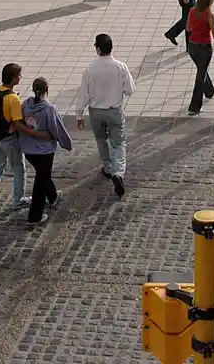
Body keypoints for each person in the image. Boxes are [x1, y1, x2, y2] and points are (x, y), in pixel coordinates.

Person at [0, 64, 41, 221]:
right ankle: (18, 199)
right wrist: (34, 133)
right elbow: (17, 123)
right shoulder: (13, 99)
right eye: (19, 75)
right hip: (9, 140)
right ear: (13, 78)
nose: (20, 78)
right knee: (19, 169)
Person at [76, 34, 135, 198]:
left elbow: (84, 95)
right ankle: (118, 172)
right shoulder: (121, 67)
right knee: (119, 142)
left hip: (95, 111)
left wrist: (79, 114)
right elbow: (130, 90)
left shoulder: (89, 70)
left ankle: (108, 167)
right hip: (114, 110)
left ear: (98, 48)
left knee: (101, 140)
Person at [20, 77, 72, 226]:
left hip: (28, 149)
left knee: (42, 174)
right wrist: (66, 144)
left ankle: (53, 196)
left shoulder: (25, 105)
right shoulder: (49, 109)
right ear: (47, 90)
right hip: (44, 150)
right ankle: (35, 215)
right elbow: (57, 129)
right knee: (41, 180)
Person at [185, 0, 214, 115]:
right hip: (204, 47)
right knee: (200, 76)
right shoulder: (209, 15)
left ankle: (209, 91)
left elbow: (188, 28)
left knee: (201, 69)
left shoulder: (192, 10)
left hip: (192, 46)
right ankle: (194, 106)